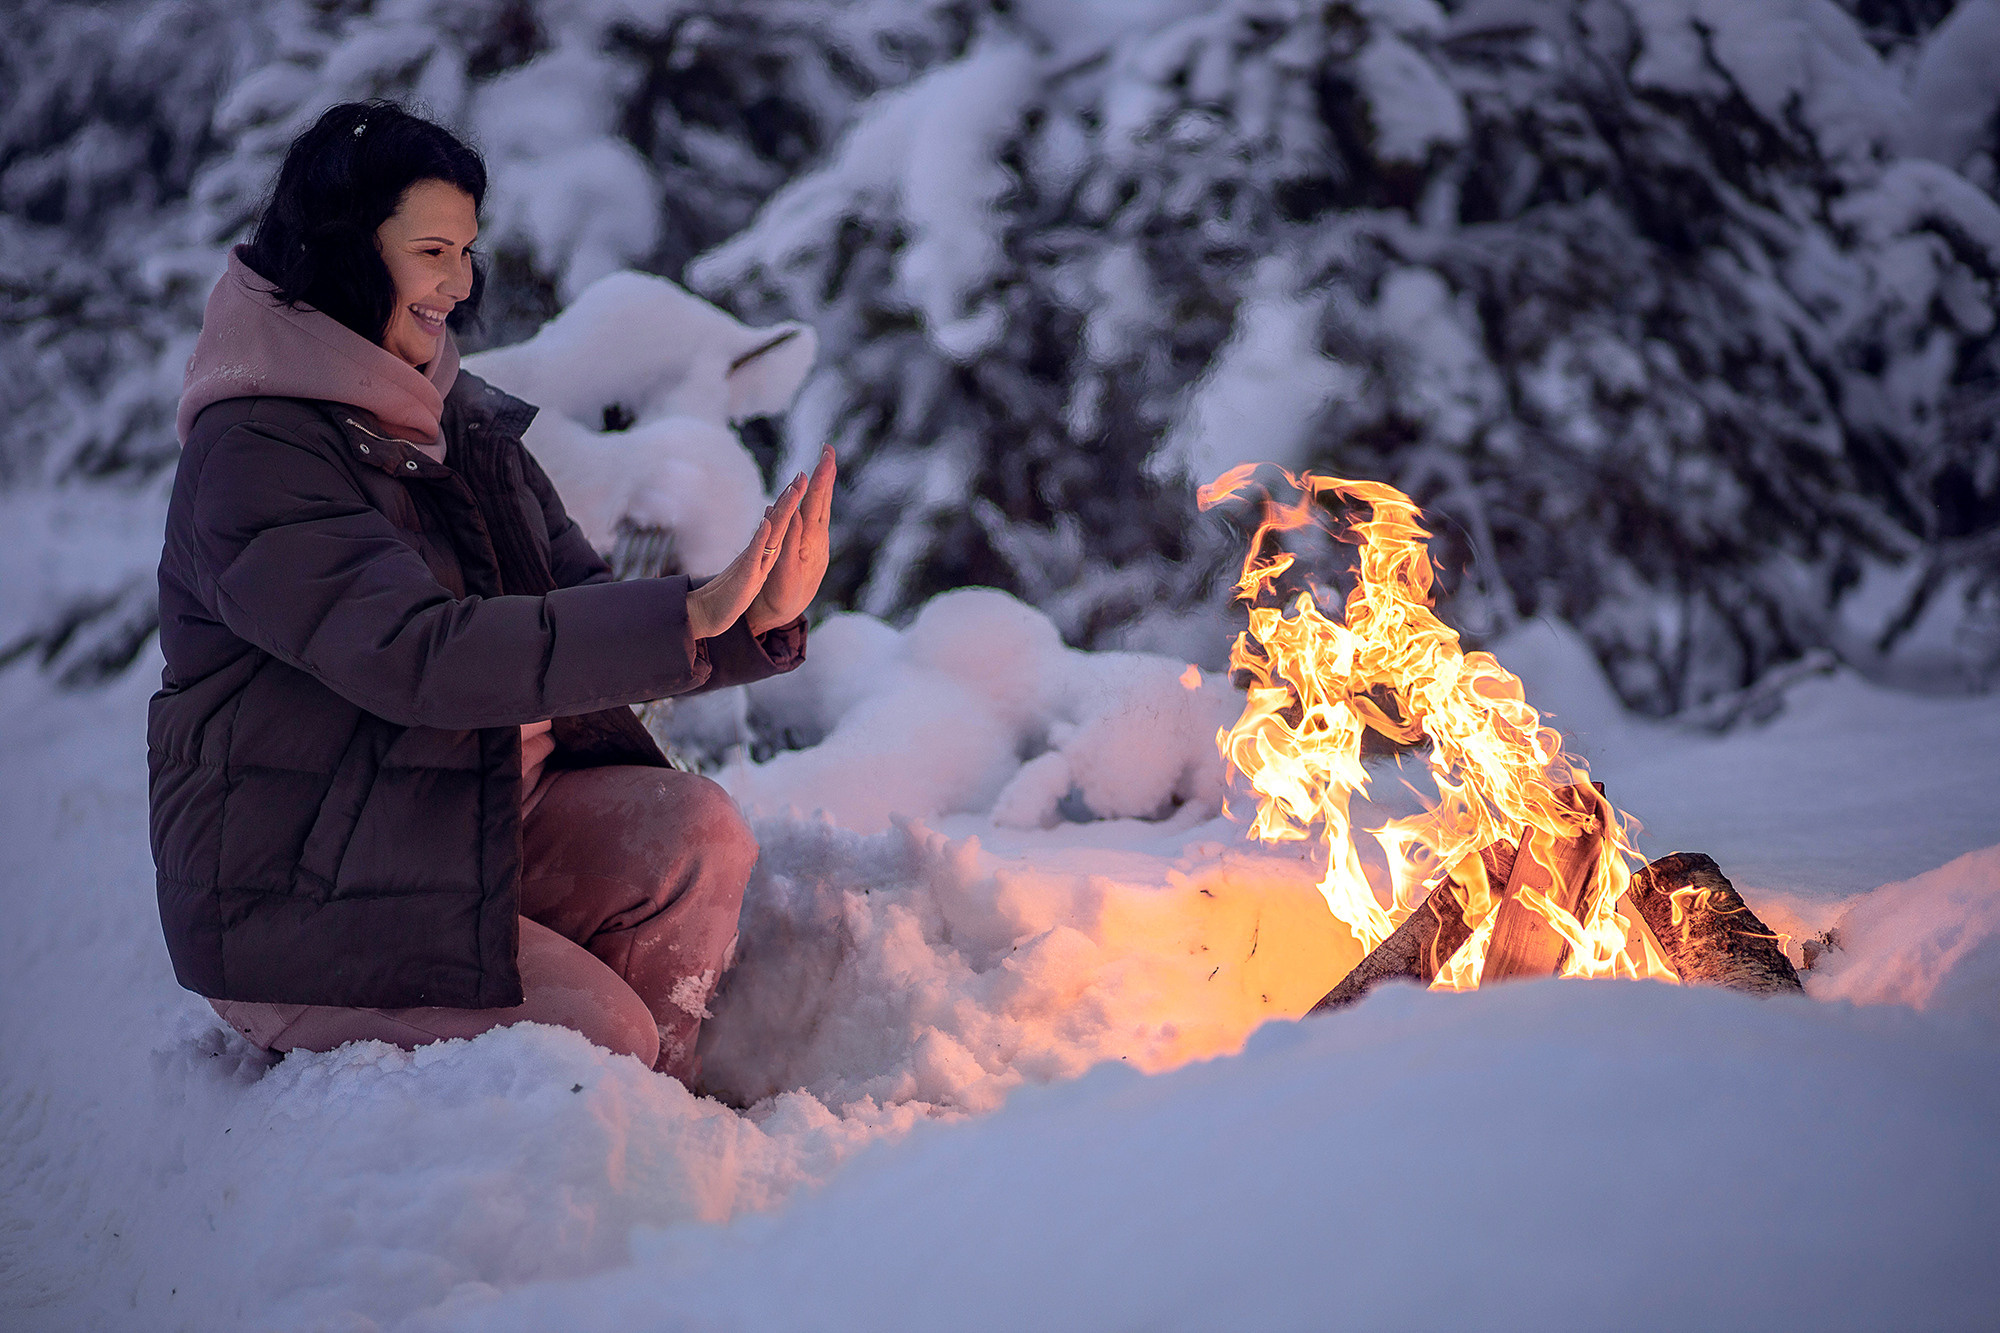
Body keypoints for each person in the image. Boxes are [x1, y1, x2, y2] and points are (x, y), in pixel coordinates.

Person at [149, 100, 834, 1083]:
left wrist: (744, 620)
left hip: (463, 827)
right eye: (431, 250)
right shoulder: (255, 450)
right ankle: (599, 1138)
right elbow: (421, 652)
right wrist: (682, 614)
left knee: (691, 835)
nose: (458, 284)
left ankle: (653, 1129)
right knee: (597, 1040)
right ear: (341, 247)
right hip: (307, 888)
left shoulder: (445, 415)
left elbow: (573, 601)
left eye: (465, 251)